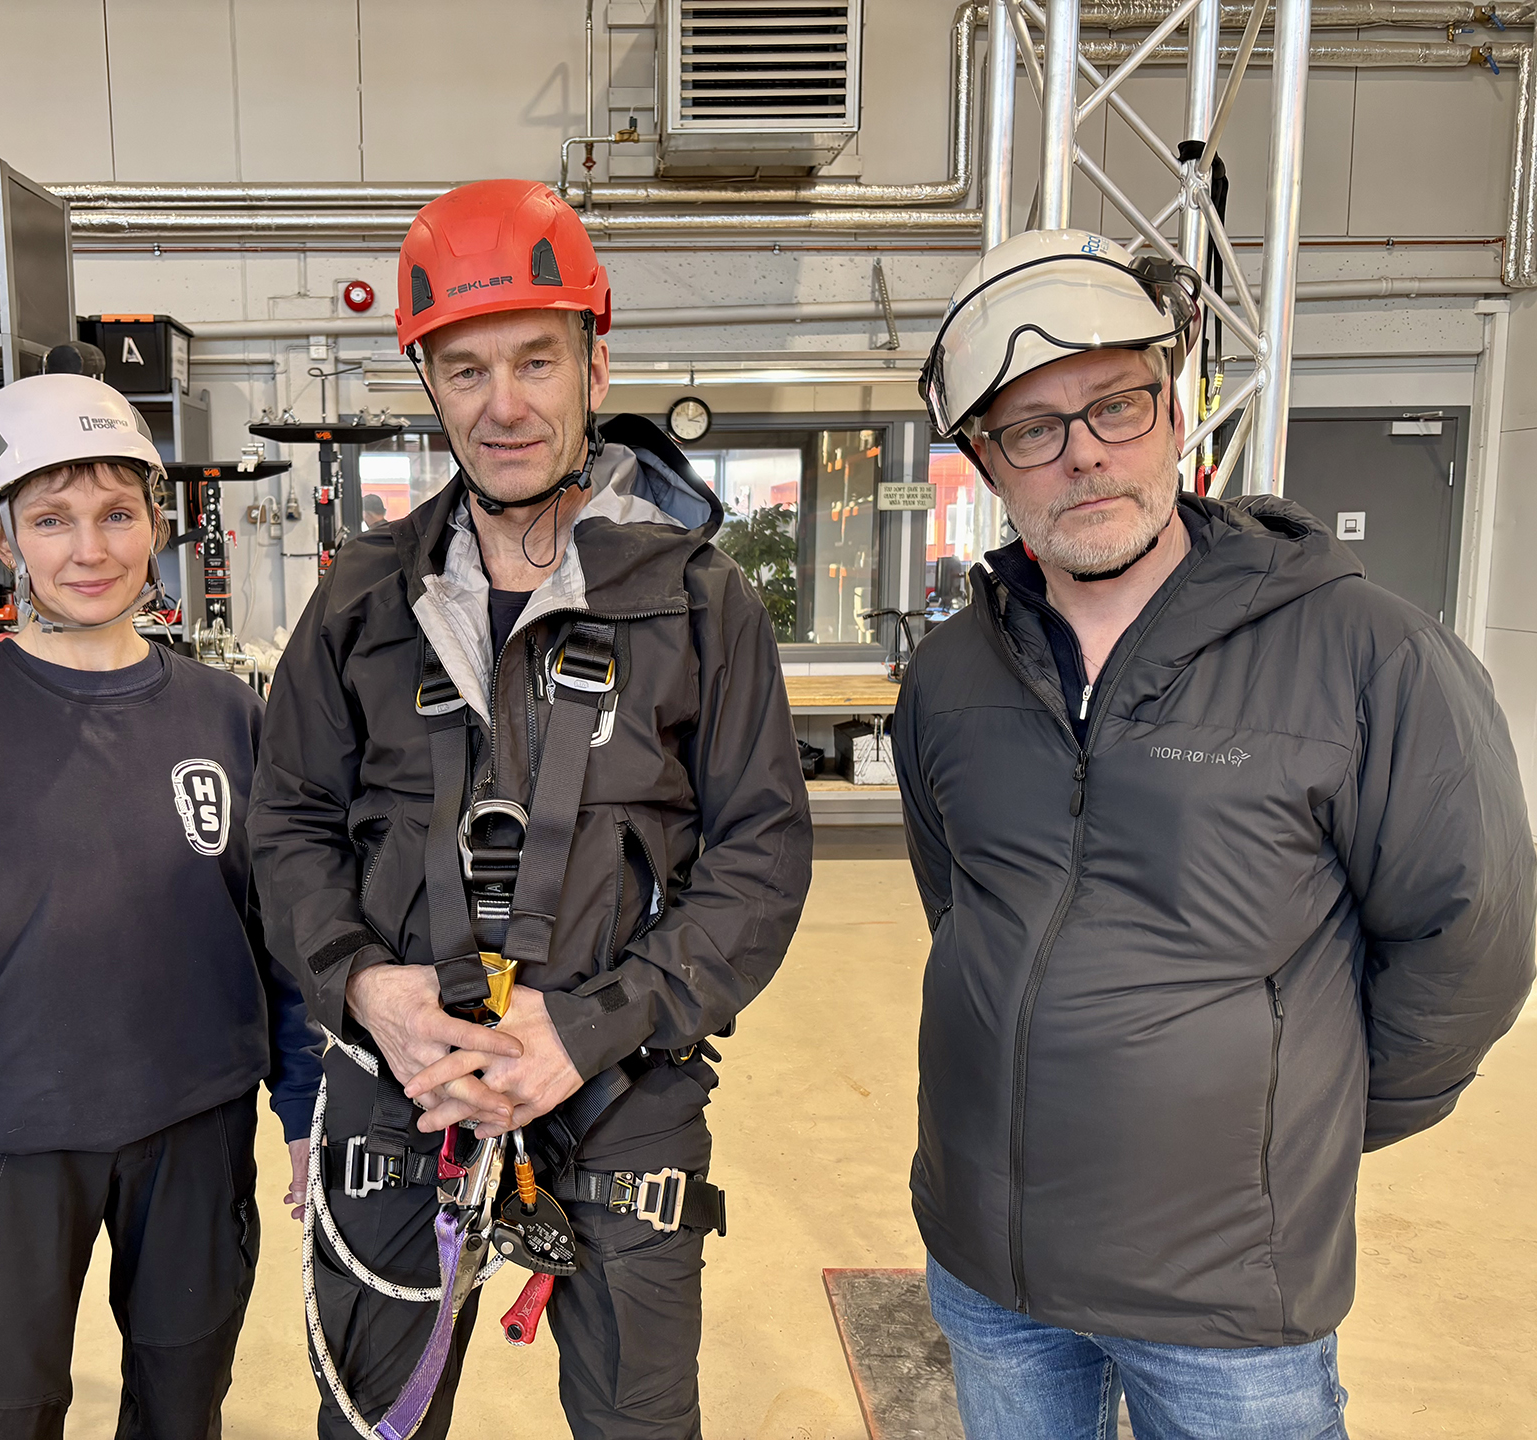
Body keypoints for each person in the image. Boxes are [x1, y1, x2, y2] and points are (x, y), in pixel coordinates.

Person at [895, 228, 1536, 1438]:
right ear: (985, 460)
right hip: (989, 1262)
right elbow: (961, 905)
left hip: (1225, 1300)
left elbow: (1474, 946)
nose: (1084, 454)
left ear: (1178, 407)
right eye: (1033, 429)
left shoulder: (1369, 655)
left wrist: (1295, 1126)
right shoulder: (950, 674)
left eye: (1116, 405)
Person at [252, 178, 813, 1439]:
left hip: (621, 1082)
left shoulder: (697, 602)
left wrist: (594, 1025)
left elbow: (761, 859)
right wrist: (365, 990)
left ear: (594, 363)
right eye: (464, 370)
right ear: (429, 385)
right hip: (403, 1080)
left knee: (637, 1423)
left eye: (534, 361)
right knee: (374, 1424)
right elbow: (287, 825)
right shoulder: (361, 598)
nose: (502, 405)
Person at [0, 372, 321, 1439]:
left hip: (196, 1129)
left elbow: (281, 932)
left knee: (182, 1406)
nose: (90, 550)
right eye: (52, 519)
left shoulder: (228, 714)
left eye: (116, 514)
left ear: (158, 524)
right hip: (0, 1145)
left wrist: (305, 1106)